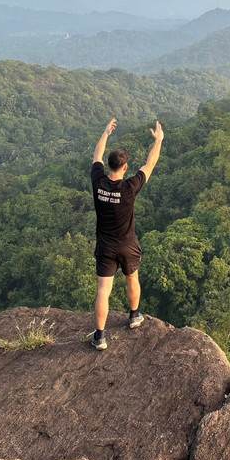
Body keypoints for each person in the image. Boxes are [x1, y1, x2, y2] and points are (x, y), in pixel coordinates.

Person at [87, 118, 164, 350]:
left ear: (108, 166)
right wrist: (158, 140)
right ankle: (134, 316)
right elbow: (150, 164)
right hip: (127, 244)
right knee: (132, 278)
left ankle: (100, 337)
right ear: (124, 168)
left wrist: (105, 133)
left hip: (105, 245)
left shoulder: (98, 181)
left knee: (104, 290)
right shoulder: (130, 188)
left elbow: (96, 156)